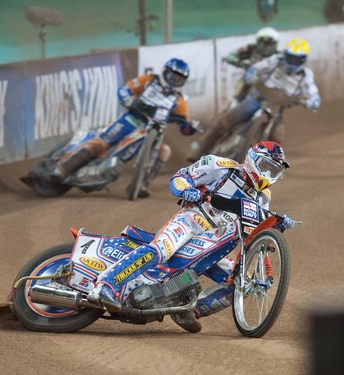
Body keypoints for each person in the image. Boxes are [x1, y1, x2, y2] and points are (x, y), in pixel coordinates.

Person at [87, 140, 296, 333]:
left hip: (214, 241)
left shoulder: (263, 197)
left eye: (274, 171)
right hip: (190, 221)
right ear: (252, 159)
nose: (268, 174)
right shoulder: (220, 165)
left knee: (243, 283)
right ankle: (105, 285)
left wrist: (276, 224)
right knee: (160, 250)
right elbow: (180, 177)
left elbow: (255, 229)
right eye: (266, 166)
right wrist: (187, 189)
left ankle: (189, 310)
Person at [50, 58, 198, 198]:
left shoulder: (179, 101)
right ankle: (64, 168)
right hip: (130, 119)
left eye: (178, 79)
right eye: (172, 76)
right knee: (100, 144)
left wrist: (190, 127)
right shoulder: (150, 81)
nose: (174, 81)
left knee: (165, 151)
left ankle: (142, 184)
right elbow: (125, 89)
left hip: (153, 131)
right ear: (165, 72)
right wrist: (128, 99)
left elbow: (184, 125)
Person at [187, 38, 321, 162]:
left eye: (296, 60)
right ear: (285, 55)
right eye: (290, 58)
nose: (292, 63)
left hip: (277, 109)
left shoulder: (305, 75)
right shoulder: (276, 60)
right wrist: (251, 72)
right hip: (258, 98)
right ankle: (200, 153)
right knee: (224, 122)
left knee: (277, 138)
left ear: (303, 60)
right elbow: (258, 67)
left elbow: (312, 91)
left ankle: (263, 169)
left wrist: (313, 101)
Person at [224, 26, 280, 103]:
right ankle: (234, 106)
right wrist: (243, 65)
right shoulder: (252, 48)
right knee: (237, 96)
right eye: (262, 44)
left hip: (269, 84)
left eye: (269, 44)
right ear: (258, 42)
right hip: (250, 80)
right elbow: (231, 56)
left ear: (275, 44)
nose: (265, 47)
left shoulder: (279, 56)